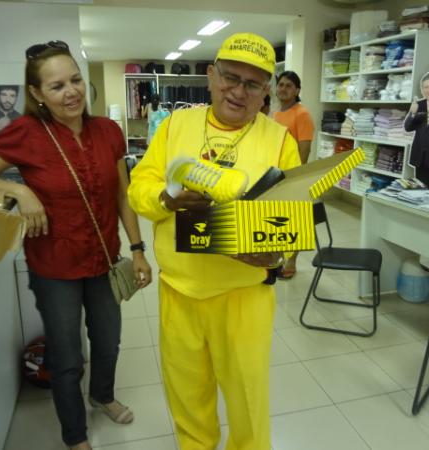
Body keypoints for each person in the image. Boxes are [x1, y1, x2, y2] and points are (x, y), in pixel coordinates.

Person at [0, 40, 152, 450]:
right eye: (56, 86)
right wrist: (23, 194)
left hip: (104, 258)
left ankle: (102, 396)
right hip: (54, 266)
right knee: (67, 357)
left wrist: (137, 249)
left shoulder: (108, 131)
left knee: (108, 340)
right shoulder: (25, 134)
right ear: (36, 94)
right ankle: (75, 434)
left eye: (75, 80)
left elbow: (123, 195)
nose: (71, 92)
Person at [127, 32, 300, 450]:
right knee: (187, 397)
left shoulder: (280, 141)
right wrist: (167, 198)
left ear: (266, 94)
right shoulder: (175, 127)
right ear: (210, 75)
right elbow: (139, 188)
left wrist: (276, 253)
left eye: (253, 84)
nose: (238, 91)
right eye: (229, 77)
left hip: (243, 297)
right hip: (179, 291)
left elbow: (294, 218)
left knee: (247, 402)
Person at [273, 70, 315, 279]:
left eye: (289, 85)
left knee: (294, 221)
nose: (283, 89)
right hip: (277, 175)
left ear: (297, 90)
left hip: (294, 177)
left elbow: (304, 149)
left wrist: (295, 178)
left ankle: (292, 262)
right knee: (280, 220)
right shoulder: (277, 113)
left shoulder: (302, 114)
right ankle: (279, 257)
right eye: (281, 84)